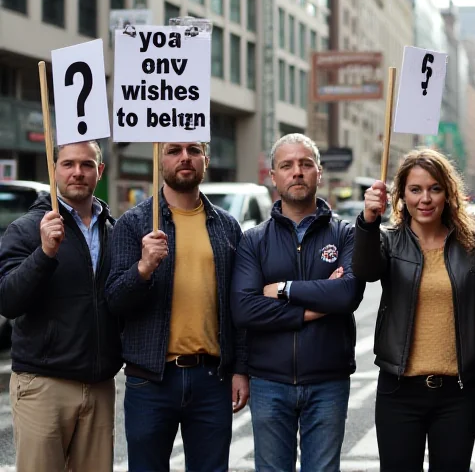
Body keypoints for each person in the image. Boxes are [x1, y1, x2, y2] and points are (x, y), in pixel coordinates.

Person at [105, 141, 249, 472]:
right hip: (150, 380)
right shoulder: (134, 223)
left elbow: (238, 306)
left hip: (212, 378)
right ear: (160, 160)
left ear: (206, 160)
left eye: (193, 150)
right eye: (173, 150)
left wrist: (241, 368)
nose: (185, 157)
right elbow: (114, 300)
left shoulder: (226, 226)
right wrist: (143, 269)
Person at [352, 148, 475, 472]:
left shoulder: (471, 245)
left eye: (434, 188)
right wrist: (368, 222)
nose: (425, 199)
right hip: (399, 391)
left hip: (457, 393)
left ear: (448, 193)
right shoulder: (387, 242)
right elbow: (365, 269)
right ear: (401, 195)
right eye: (415, 189)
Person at [231, 133, 365, 472]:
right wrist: (316, 307)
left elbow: (348, 294)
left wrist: (282, 288)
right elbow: (245, 308)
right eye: (287, 165)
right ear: (273, 176)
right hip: (268, 381)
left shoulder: (345, 234)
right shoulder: (253, 240)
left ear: (319, 173)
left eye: (306, 164)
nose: (297, 172)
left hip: (328, 380)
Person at [0, 141, 121, 471]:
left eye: (86, 164)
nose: (77, 172)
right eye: (68, 164)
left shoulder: (112, 231)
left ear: (101, 170)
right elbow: (8, 300)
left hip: (99, 388)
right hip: (43, 385)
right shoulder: (26, 229)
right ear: (53, 169)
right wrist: (44, 254)